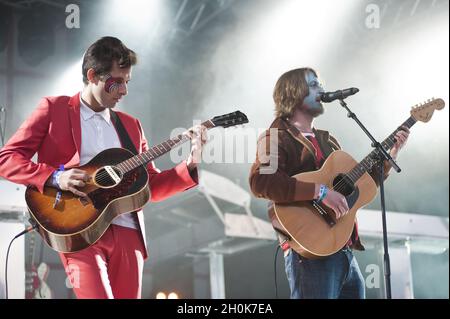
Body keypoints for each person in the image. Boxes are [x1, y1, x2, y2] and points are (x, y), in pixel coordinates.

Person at [0, 36, 207, 299]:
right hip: (77, 230)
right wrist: (55, 177)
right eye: (117, 82)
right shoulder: (54, 109)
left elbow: (149, 186)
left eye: (127, 82)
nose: (124, 91)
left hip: (129, 233)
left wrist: (191, 162)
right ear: (92, 75)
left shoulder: (132, 125)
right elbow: (6, 159)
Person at [249, 68, 409, 299]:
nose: (321, 88)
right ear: (293, 93)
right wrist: (320, 192)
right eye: (314, 84)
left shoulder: (329, 139)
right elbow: (261, 181)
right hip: (308, 252)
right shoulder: (274, 137)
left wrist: (391, 153)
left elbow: (363, 186)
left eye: (320, 83)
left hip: (343, 249)